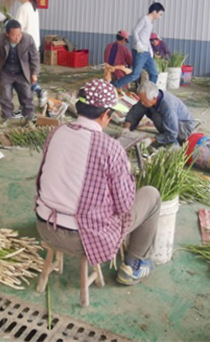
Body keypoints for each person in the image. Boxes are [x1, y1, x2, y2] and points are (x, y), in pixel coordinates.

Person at [35, 79, 161, 285]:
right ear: (105, 115)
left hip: (45, 226)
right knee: (151, 195)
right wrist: (126, 178)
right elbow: (124, 206)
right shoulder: (110, 147)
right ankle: (133, 265)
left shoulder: (56, 132)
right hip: (82, 238)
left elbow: (41, 180)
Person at [0, 19, 40, 129]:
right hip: (6, 72)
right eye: (14, 36)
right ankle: (7, 118)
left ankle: (28, 119)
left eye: (19, 34)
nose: (18, 38)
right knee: (5, 96)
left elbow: (35, 58)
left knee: (27, 96)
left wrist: (34, 74)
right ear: (7, 34)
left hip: (22, 72)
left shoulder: (28, 39)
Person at [123, 81, 197, 146]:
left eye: (144, 101)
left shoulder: (168, 107)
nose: (142, 103)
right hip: (173, 123)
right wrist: (127, 128)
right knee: (144, 108)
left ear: (154, 98)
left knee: (156, 117)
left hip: (184, 127)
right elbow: (135, 112)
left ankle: (174, 143)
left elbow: (172, 133)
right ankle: (164, 137)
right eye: (141, 100)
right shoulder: (150, 97)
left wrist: (151, 140)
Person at [112, 3, 165, 89]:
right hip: (140, 51)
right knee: (135, 75)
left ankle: (149, 92)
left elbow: (146, 37)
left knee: (154, 73)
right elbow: (135, 31)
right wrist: (138, 43)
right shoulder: (144, 19)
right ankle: (114, 86)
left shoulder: (150, 23)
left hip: (146, 52)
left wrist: (150, 49)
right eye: (160, 14)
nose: (160, 16)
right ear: (154, 12)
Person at [13, 0, 48, 108]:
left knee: (21, 78)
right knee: (28, 75)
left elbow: (16, 30)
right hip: (34, 46)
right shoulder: (33, 7)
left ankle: (25, 106)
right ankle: (38, 92)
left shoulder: (23, 8)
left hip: (24, 47)